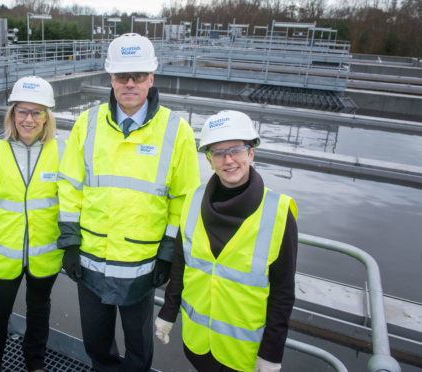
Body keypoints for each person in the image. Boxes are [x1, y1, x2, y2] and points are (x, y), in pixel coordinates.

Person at [57, 33, 200, 371]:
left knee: (139, 350)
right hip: (90, 261)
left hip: (142, 265)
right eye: (123, 76)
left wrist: (168, 254)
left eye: (138, 75)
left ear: (152, 77)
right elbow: (69, 188)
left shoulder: (176, 132)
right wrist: (70, 243)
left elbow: (185, 199)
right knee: (95, 341)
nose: (130, 83)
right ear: (111, 78)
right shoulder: (87, 124)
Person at [154, 110, 298, 372]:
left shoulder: (278, 212)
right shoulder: (193, 201)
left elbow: (283, 291)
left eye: (236, 150)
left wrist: (272, 352)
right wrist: (168, 312)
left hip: (244, 354)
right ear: (209, 160)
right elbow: (180, 265)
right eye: (218, 153)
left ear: (251, 153)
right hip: (197, 344)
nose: (228, 160)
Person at [0, 76, 64, 372]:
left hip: (44, 256)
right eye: (22, 111)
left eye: (37, 112)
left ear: (47, 116)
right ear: (11, 114)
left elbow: (73, 206)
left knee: (39, 315)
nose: (29, 119)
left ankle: (35, 364)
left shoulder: (62, 151)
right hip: (1, 258)